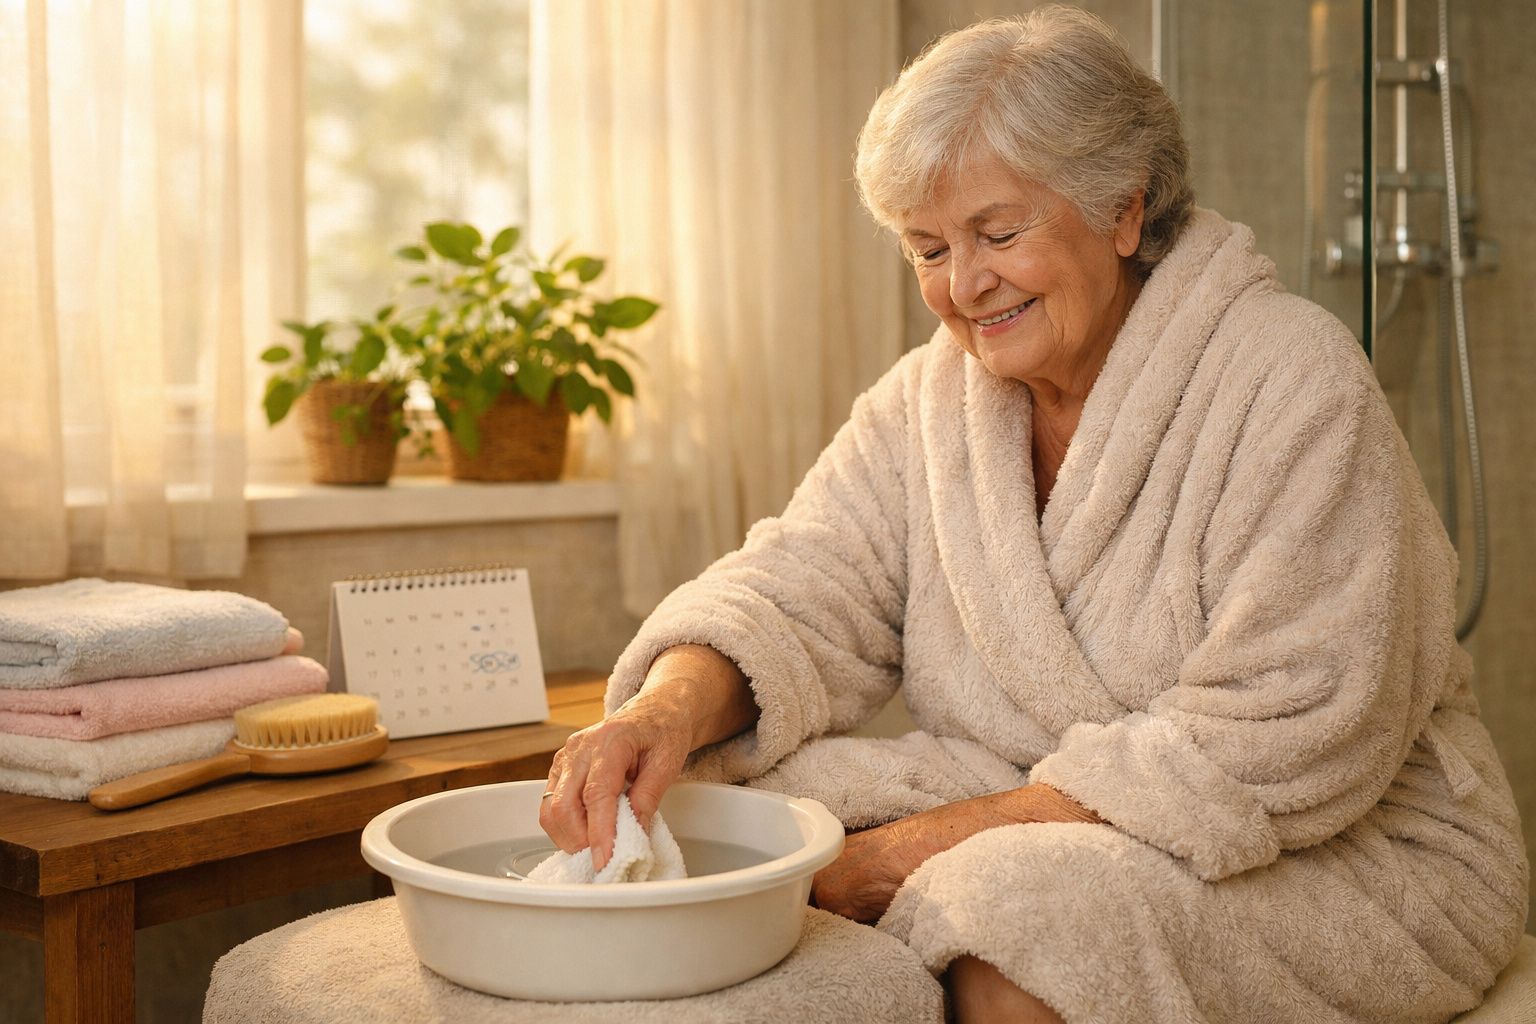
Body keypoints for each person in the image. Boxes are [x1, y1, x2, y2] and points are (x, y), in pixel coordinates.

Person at [540, 7, 1529, 1022]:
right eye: (927, 249)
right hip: (1054, 804)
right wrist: (656, 713)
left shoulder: (1292, 381)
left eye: (998, 233)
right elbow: (801, 589)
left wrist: (913, 850)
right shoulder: (929, 408)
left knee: (1017, 905)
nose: (964, 286)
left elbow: (1286, 735)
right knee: (748, 815)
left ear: (1123, 212)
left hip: (1354, 852)